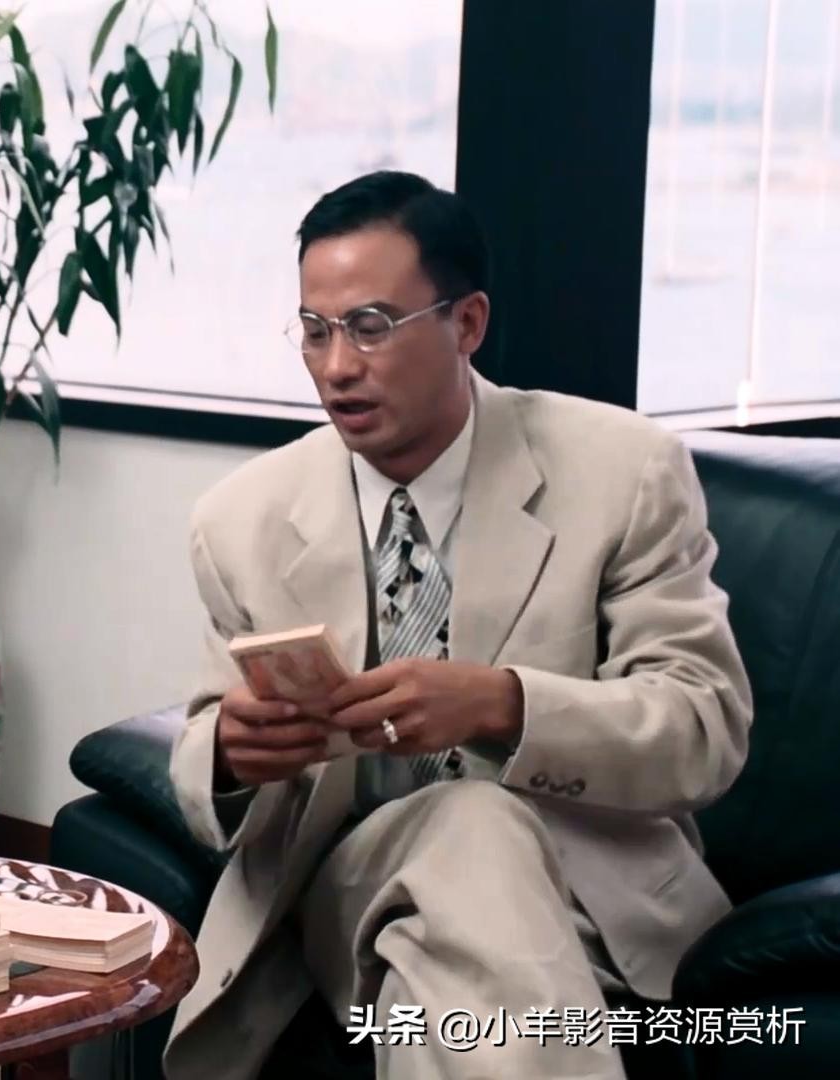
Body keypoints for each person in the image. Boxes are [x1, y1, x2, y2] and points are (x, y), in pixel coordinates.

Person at [164, 171, 752, 1080]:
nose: (336, 366)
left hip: (584, 899)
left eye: (370, 326)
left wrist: (503, 705)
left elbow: (703, 727)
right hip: (349, 888)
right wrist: (231, 756)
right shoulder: (242, 519)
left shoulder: (623, 472)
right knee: (468, 820)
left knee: (437, 998)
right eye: (315, 331)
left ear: (467, 322)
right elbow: (207, 734)